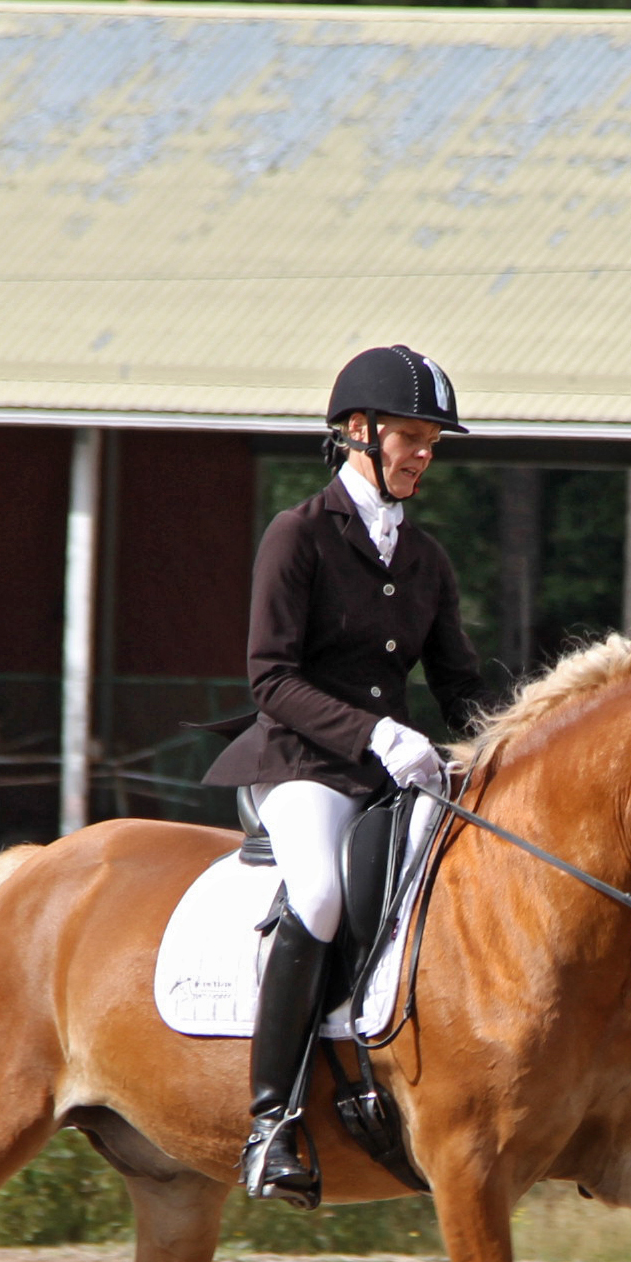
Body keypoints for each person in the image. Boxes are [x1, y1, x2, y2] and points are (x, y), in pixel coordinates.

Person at [200, 345, 495, 1203]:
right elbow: (271, 680)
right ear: (357, 434)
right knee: (322, 897)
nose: (423, 456)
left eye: (432, 442)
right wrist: (378, 736)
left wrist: (506, 744)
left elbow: (460, 683)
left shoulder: (425, 558)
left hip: (387, 776)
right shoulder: (297, 536)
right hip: (300, 765)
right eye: (410, 437)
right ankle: (271, 1122)